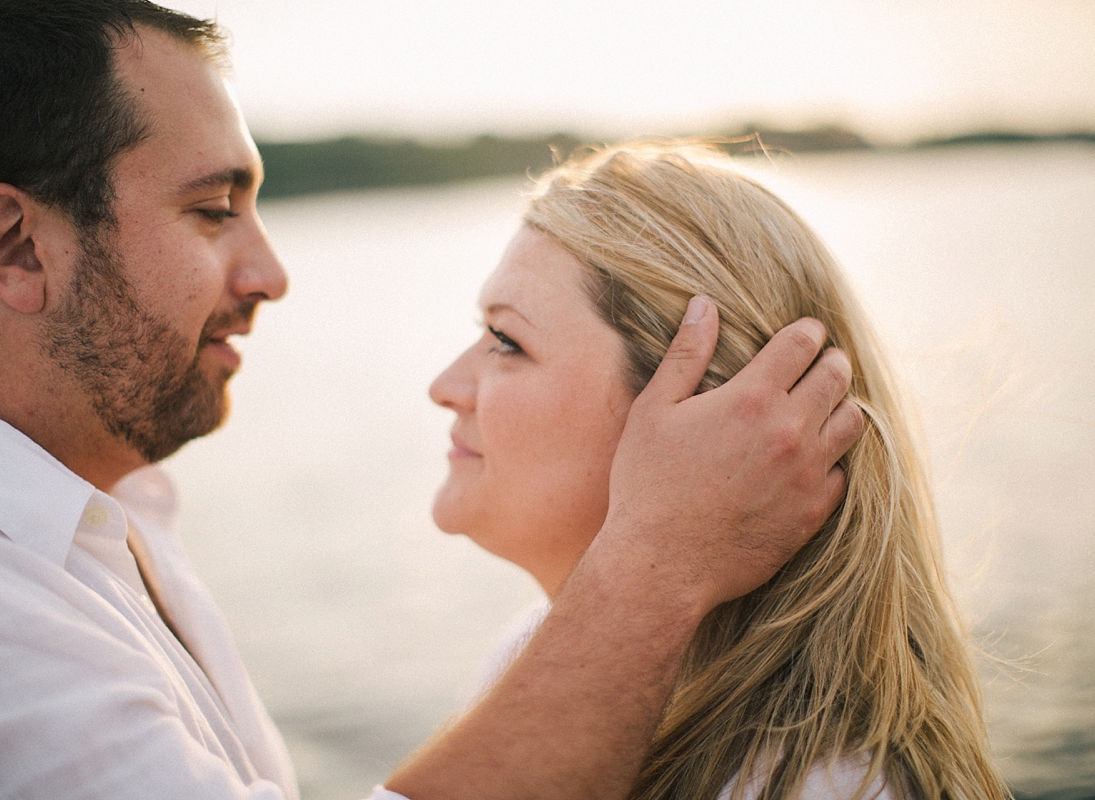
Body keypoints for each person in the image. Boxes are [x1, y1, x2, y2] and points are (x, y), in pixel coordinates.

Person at [0, 2, 863, 798]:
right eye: (212, 210)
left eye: (507, 341)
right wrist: (655, 564)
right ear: (18, 246)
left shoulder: (104, 515)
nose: (272, 273)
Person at [430, 142, 1009, 800]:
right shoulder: (528, 656)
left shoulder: (826, 785)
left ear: (716, 415)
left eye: (507, 341)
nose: (444, 385)